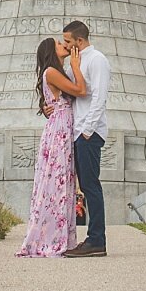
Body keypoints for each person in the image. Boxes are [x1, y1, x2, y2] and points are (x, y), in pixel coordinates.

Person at [15, 35, 85, 257]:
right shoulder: (52, 72)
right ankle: (50, 239)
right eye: (58, 44)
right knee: (57, 183)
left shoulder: (54, 73)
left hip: (60, 128)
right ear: (50, 51)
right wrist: (76, 66)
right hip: (60, 131)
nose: (63, 45)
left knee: (58, 184)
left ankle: (55, 236)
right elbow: (80, 91)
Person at [61, 20, 110, 257]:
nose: (65, 45)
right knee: (85, 186)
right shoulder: (76, 64)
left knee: (91, 186)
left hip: (88, 133)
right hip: (77, 132)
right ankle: (91, 239)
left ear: (79, 41)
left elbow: (99, 97)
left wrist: (88, 131)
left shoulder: (97, 60)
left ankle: (96, 240)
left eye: (68, 41)